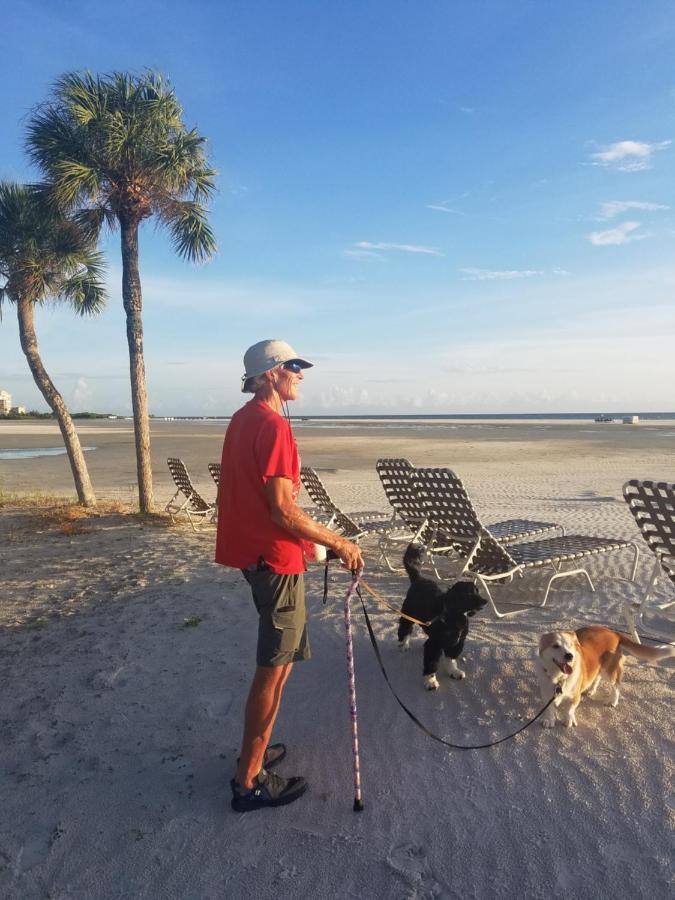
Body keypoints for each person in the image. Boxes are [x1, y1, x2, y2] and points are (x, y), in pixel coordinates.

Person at [215, 339, 364, 812]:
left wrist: (309, 541)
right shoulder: (272, 425)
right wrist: (339, 542)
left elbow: (263, 504)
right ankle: (249, 780)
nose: (301, 373)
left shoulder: (242, 420)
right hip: (272, 560)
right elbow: (282, 509)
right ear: (270, 374)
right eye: (293, 366)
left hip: (255, 555)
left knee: (276, 666)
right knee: (273, 670)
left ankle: (253, 756)